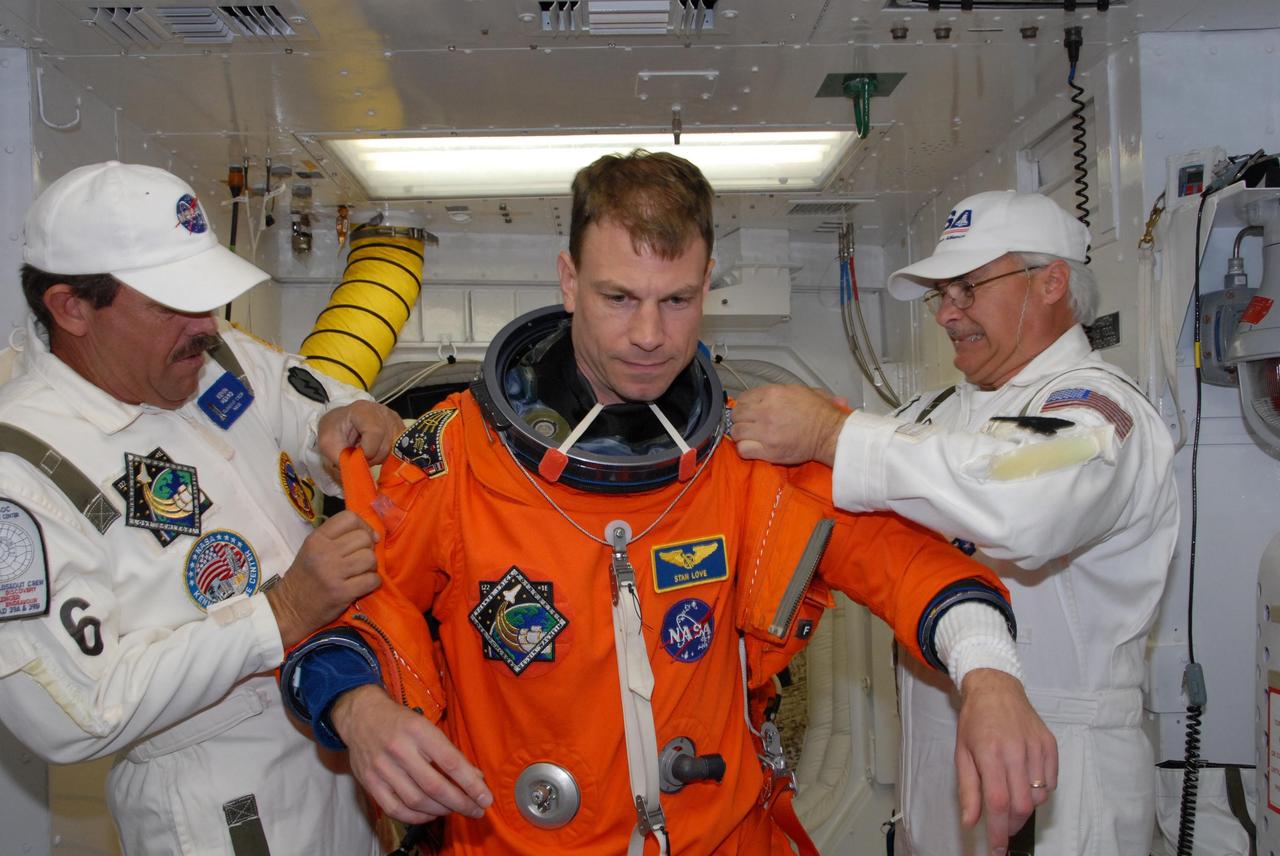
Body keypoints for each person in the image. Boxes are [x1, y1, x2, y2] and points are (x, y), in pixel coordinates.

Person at [279, 152, 1056, 855]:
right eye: (618, 297)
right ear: (567, 281)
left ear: (707, 282)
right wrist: (358, 709)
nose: (649, 335)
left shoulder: (747, 454)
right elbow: (352, 609)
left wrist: (989, 674)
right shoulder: (457, 458)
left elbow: (906, 562)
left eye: (677, 300)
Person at [730, 189, 1178, 855]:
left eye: (967, 288)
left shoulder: (1098, 411)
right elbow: (849, 492)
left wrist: (833, 434)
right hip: (936, 783)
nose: (946, 313)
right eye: (943, 292)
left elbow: (1022, 497)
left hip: (1063, 787)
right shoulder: (938, 413)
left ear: (1051, 281)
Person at [0, 161, 408, 854]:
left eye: (210, 298)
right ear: (71, 308)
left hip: (343, 755)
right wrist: (279, 615)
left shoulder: (216, 357)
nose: (206, 325)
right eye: (173, 303)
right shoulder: (21, 474)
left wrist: (351, 424)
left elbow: (317, 407)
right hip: (222, 806)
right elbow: (73, 713)